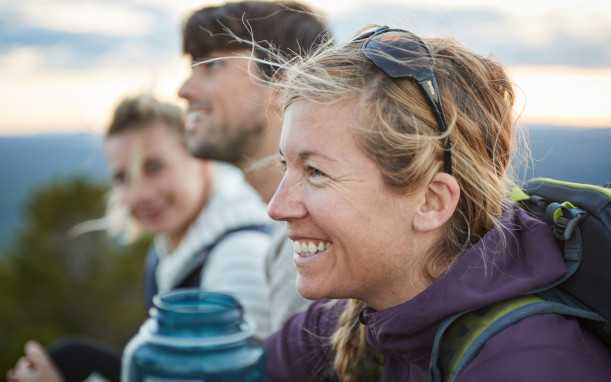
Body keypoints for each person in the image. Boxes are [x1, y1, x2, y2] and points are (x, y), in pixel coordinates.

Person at [262, 26, 611, 381]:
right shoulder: (354, 319)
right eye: (284, 166)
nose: (277, 207)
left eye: (316, 172)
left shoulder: (527, 365)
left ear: (431, 201)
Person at [8, 95, 273, 382]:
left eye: (154, 167)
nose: (138, 195)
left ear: (201, 157)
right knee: (70, 359)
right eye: (123, 178)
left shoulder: (238, 257)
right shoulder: (172, 248)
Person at [178, 0, 331, 332]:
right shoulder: (287, 231)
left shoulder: (315, 240)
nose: (184, 90)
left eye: (211, 65)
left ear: (286, 83)